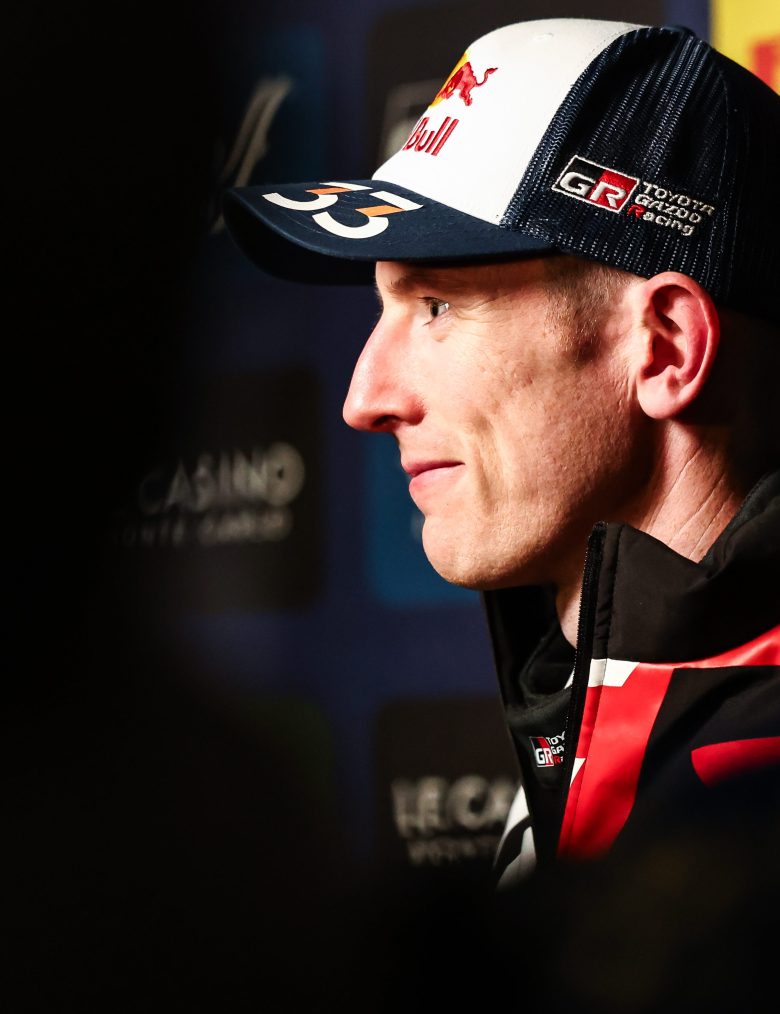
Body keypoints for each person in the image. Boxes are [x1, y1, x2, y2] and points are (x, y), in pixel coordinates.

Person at [222, 17, 779, 903]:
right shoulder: (582, 730)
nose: (364, 398)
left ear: (665, 348)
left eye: (438, 307)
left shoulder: (748, 816)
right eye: (385, 309)